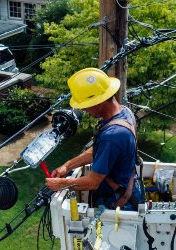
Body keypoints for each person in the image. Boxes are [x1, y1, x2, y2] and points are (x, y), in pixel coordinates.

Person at [45, 68, 141, 210]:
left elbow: (92, 182)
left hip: (119, 203)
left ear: (98, 102)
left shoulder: (112, 135)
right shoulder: (124, 112)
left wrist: (61, 184)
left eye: (85, 106)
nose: (84, 110)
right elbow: (98, 151)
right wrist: (67, 166)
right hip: (126, 190)